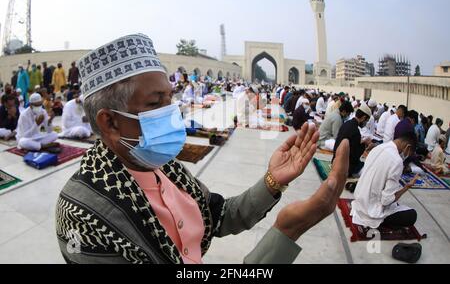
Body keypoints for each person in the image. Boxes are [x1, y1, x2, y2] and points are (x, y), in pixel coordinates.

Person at [55, 34, 351, 264]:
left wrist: (273, 180)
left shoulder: (165, 168)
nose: (172, 111)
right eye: (155, 102)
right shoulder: (83, 212)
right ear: (110, 122)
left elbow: (220, 216)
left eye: (170, 98)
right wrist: (287, 232)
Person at [351, 132, 419, 230]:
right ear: (407, 147)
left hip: (359, 201)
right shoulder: (397, 161)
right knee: (412, 215)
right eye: (409, 153)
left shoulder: (378, 147)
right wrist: (406, 187)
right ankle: (380, 223)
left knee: (395, 202)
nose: (406, 156)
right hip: (370, 212)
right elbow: (386, 201)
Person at [333, 102, 372, 178]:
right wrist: (364, 145)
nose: (365, 123)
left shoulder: (346, 124)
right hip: (344, 168)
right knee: (368, 168)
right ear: (363, 118)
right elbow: (354, 157)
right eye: (366, 121)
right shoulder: (355, 131)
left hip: (335, 161)